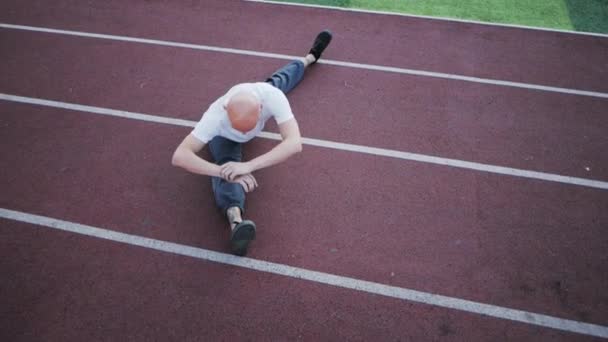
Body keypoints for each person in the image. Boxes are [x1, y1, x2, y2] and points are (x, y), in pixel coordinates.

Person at [172, 30, 333, 256]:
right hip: (224, 140)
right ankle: (237, 222)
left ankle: (309, 58)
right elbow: (180, 156)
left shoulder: (271, 96)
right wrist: (222, 171)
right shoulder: (215, 116)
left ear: (260, 110)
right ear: (227, 113)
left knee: (282, 80)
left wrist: (249, 165)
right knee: (227, 166)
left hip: (267, 89)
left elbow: (294, 143)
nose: (248, 135)